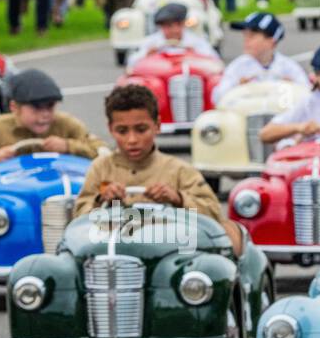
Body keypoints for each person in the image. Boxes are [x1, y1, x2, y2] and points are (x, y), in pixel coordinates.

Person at [74, 83, 241, 252]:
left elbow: (214, 216)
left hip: (168, 255)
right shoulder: (101, 168)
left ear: (157, 125)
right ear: (110, 129)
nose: (132, 140)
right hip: (111, 254)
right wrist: (101, 200)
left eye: (141, 129)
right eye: (122, 131)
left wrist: (178, 198)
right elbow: (78, 222)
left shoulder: (179, 170)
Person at [0, 68, 105, 184]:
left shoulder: (67, 124)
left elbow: (102, 153)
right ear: (14, 107)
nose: (45, 114)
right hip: (10, 197)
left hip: (59, 190)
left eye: (50, 106)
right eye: (36, 108)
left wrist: (68, 146)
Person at [212, 12, 309, 104]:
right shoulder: (238, 67)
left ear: (271, 41)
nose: (246, 40)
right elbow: (217, 98)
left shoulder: (288, 67)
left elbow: (307, 95)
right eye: (245, 35)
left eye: (252, 36)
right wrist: (236, 88)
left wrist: (293, 87)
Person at [126, 1, 220, 66]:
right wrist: (147, 54)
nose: (174, 30)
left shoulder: (195, 41)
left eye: (178, 25)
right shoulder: (151, 42)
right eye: (169, 26)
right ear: (161, 27)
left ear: (184, 24)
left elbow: (215, 60)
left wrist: (196, 54)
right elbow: (131, 62)